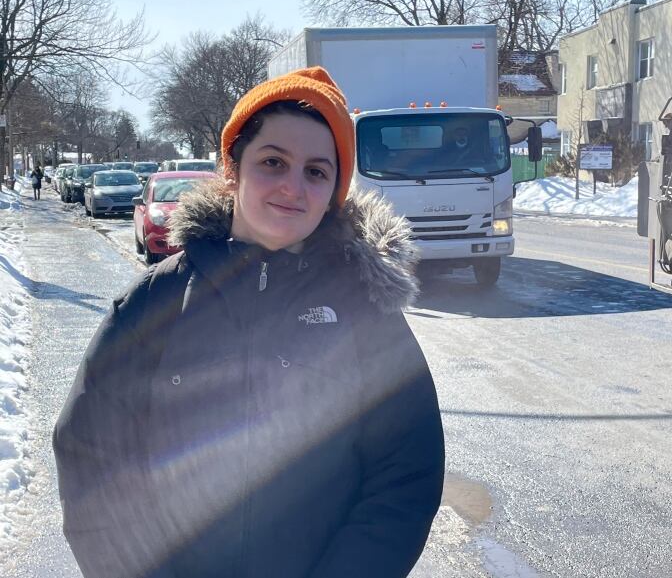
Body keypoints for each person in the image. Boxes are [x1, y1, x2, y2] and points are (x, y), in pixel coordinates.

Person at [53, 66, 445, 578]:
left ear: (334, 191)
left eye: (316, 171)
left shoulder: (363, 314)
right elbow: (91, 458)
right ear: (233, 167)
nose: (293, 187)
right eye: (273, 161)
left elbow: (405, 474)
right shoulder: (153, 303)